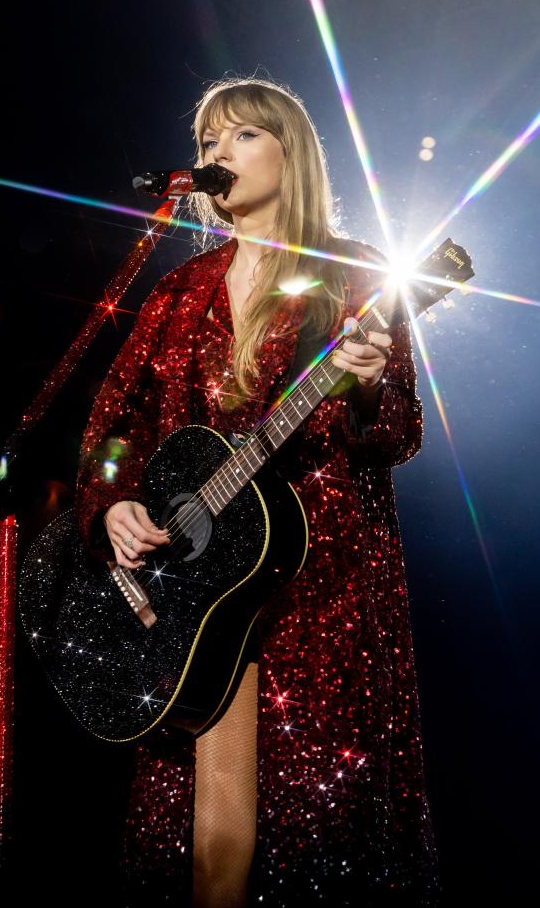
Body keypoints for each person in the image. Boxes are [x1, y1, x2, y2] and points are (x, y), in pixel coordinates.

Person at [75, 77, 441, 907]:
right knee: (207, 839)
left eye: (240, 136)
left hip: (312, 584)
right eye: (207, 142)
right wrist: (114, 505)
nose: (216, 155)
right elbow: (111, 431)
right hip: (194, 584)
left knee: (303, 829)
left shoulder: (349, 275)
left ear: (290, 152)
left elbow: (396, 437)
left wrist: (368, 383)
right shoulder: (176, 292)